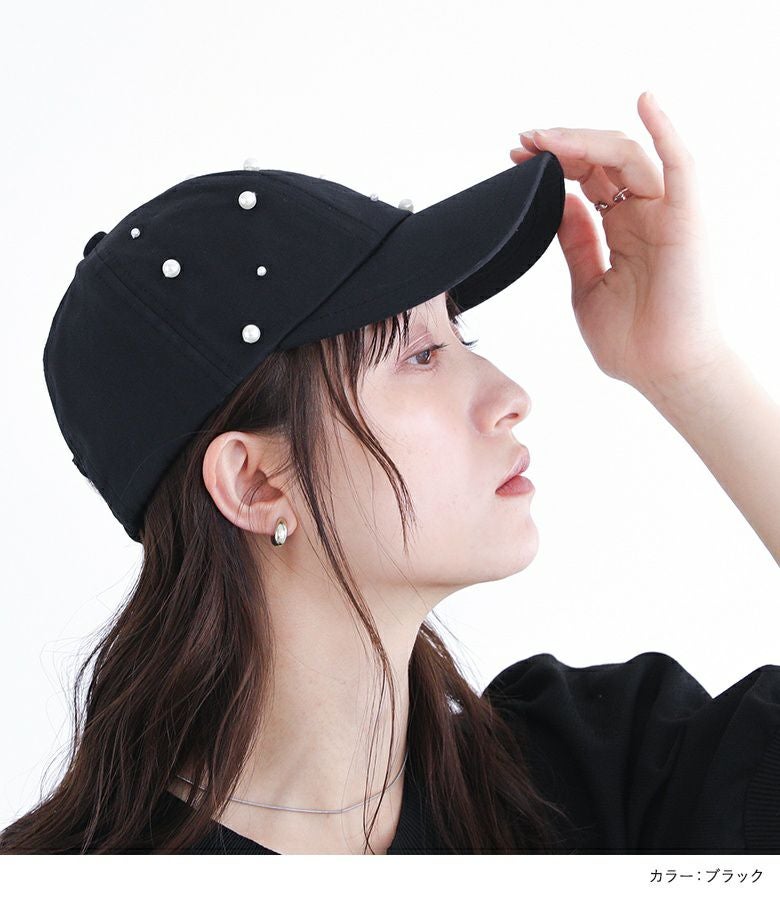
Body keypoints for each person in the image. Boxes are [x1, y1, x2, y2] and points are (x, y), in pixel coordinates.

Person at [2, 91, 779, 855]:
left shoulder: (587, 783)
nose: (510, 397)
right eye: (420, 354)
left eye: (461, 336)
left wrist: (691, 370)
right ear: (255, 483)